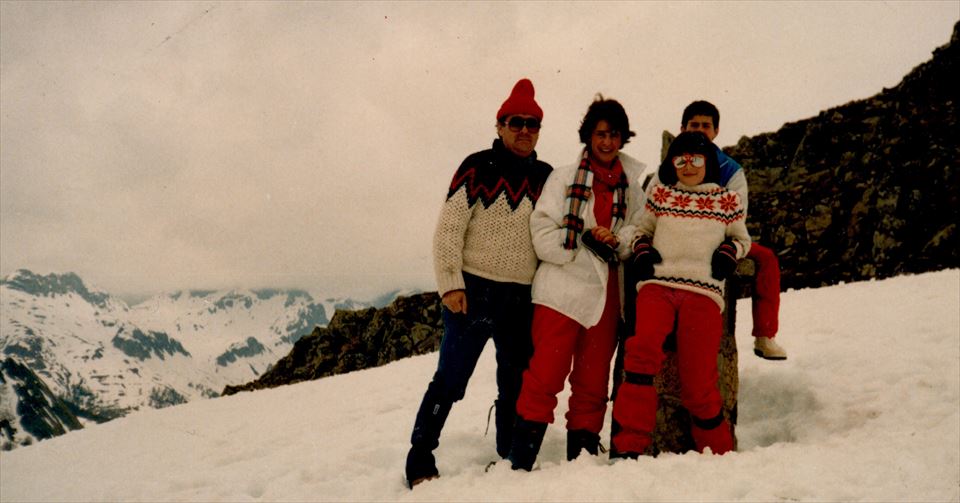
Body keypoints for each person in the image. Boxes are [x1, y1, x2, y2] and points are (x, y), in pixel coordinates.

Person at [404, 79, 554, 488]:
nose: (524, 130)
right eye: (516, 122)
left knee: (515, 380)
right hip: (472, 292)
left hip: (521, 298)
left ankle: (507, 454)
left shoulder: (546, 178)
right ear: (500, 125)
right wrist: (450, 284)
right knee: (451, 378)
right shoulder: (476, 166)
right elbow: (449, 228)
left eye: (533, 124)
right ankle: (420, 457)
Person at [506, 96, 646, 471]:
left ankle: (581, 464)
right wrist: (579, 242)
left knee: (592, 380)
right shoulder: (564, 176)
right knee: (545, 376)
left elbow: (640, 228)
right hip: (561, 292)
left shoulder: (632, 186)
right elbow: (542, 228)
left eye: (615, 135)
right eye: (601, 134)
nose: (607, 142)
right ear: (588, 136)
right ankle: (520, 463)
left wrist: (617, 241)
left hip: (604, 294)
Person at [611, 131, 751, 457]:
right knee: (641, 355)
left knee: (699, 379)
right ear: (672, 163)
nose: (688, 166)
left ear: (708, 163)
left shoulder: (726, 200)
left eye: (696, 159)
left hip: (702, 292)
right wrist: (642, 249)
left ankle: (717, 453)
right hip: (658, 288)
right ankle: (629, 447)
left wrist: (729, 252)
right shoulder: (661, 195)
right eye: (681, 159)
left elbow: (741, 239)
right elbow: (642, 230)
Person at [653, 100, 787, 360]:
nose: (700, 130)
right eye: (694, 125)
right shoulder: (671, 164)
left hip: (718, 238)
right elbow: (652, 204)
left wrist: (719, 241)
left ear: (716, 131)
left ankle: (765, 336)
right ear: (682, 128)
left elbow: (738, 213)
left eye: (706, 126)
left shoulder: (731, 169)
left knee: (767, 258)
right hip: (675, 237)